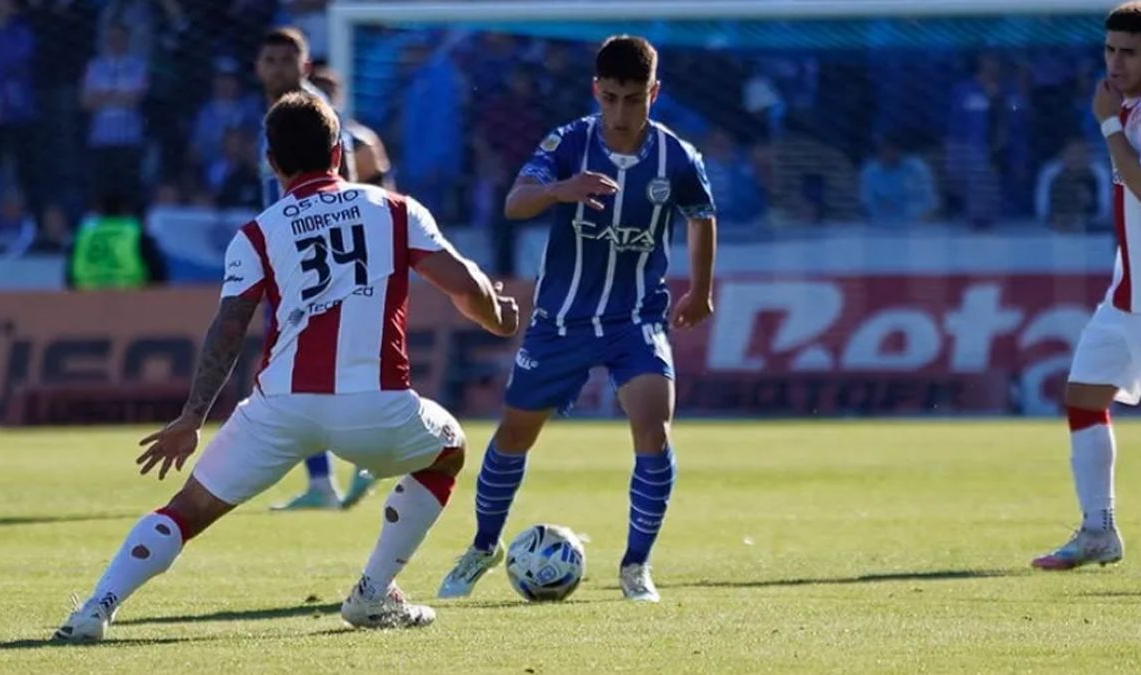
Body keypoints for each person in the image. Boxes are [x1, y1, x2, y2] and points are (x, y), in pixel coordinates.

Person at [53, 92, 519, 641]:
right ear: (339, 150)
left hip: (280, 409)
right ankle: (373, 593)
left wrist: (192, 416)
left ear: (272, 163)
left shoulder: (257, 233)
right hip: (375, 406)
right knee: (448, 452)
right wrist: (498, 319)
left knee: (188, 509)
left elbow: (228, 330)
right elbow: (465, 284)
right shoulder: (395, 210)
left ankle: (96, 607)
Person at [436, 36, 717, 603]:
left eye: (633, 99)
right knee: (514, 434)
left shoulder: (677, 157)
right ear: (596, 90)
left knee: (653, 427)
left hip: (635, 318)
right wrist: (563, 190)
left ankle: (636, 566)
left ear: (653, 94)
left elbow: (701, 216)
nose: (620, 112)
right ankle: (483, 546)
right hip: (561, 320)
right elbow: (516, 202)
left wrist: (701, 290)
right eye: (610, 98)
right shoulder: (567, 142)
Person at [1031, 2, 1141, 572]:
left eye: (1129, 52)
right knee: (1083, 397)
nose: (1116, 62)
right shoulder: (1133, 104)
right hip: (1129, 288)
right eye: (1109, 50)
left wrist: (1107, 124)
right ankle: (1099, 531)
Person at [254, 26, 370, 510]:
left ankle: (368, 458)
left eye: (287, 60)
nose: (278, 69)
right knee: (305, 368)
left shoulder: (315, 113)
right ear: (258, 68)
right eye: (270, 60)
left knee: (317, 364)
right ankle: (326, 478)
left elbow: (346, 182)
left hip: (317, 260)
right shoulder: (271, 115)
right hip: (286, 255)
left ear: (304, 66)